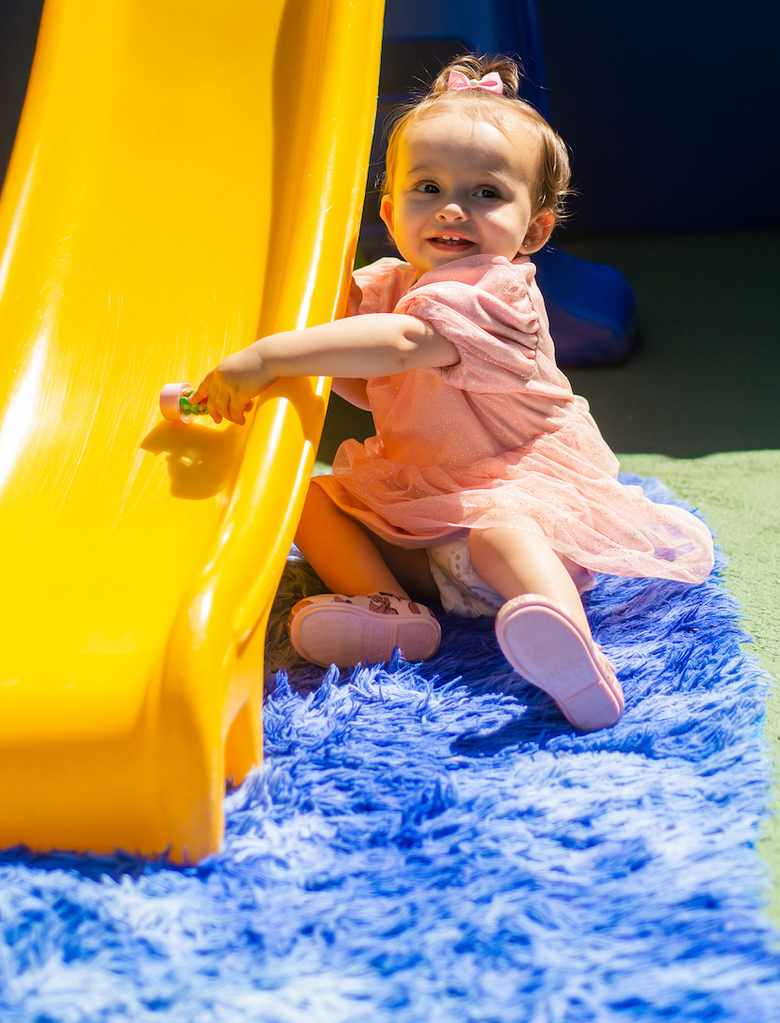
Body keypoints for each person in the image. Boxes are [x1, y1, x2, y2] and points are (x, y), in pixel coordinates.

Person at [192, 54, 713, 731]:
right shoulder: (392, 282)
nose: (453, 209)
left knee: (503, 532)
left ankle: (564, 635)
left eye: (487, 193)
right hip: (425, 520)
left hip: (515, 505)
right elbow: (371, 383)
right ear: (390, 209)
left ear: (535, 230)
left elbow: (404, 345)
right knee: (313, 497)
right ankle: (388, 608)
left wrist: (269, 357)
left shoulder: (498, 291)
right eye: (428, 187)